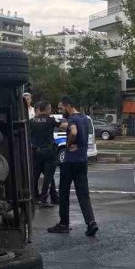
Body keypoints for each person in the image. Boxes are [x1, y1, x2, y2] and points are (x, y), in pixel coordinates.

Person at [48, 97, 98, 236]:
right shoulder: (84, 118)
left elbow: (74, 132)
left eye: (61, 108)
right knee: (83, 194)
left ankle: (64, 224)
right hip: (82, 160)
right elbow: (69, 127)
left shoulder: (72, 119)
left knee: (63, 193)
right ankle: (91, 222)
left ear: (68, 106)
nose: (60, 111)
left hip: (70, 161)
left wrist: (69, 143)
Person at [29, 101, 62, 208]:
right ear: (48, 109)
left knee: (35, 175)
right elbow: (65, 126)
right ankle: (44, 198)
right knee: (48, 176)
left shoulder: (31, 121)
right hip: (49, 151)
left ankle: (37, 196)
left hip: (36, 151)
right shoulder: (51, 119)